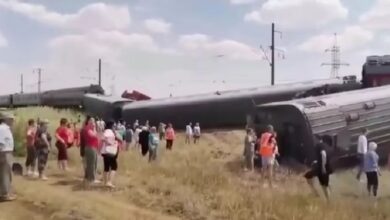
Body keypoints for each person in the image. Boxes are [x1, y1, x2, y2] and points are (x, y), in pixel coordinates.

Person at [304, 135, 333, 201]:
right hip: (326, 167)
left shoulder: (319, 145)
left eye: (314, 139)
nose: (313, 140)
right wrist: (317, 161)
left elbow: (323, 154)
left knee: (324, 186)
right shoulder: (325, 145)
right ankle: (316, 193)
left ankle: (328, 201)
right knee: (308, 176)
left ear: (317, 139)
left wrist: (323, 166)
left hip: (322, 168)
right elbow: (324, 155)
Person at [0, 112, 16, 201]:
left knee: (4, 173)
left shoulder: (5, 128)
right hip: (4, 152)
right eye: (11, 119)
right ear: (6, 119)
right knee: (5, 173)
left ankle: (4, 192)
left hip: (5, 152)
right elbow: (1, 142)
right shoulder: (3, 129)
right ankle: (5, 194)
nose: (13, 121)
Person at [101, 120, 120, 188]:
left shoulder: (108, 131)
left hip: (106, 152)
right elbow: (103, 138)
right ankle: (109, 182)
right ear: (111, 125)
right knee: (114, 167)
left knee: (106, 167)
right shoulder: (109, 131)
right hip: (110, 152)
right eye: (114, 125)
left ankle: (105, 182)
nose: (115, 126)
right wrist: (109, 142)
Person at [84, 117, 100, 184]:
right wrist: (94, 130)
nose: (94, 124)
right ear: (89, 122)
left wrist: (95, 129)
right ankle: (92, 179)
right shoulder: (88, 129)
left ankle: (87, 177)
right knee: (92, 164)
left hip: (93, 147)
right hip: (91, 147)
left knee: (92, 163)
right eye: (92, 122)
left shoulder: (92, 129)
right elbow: (93, 135)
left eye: (94, 122)